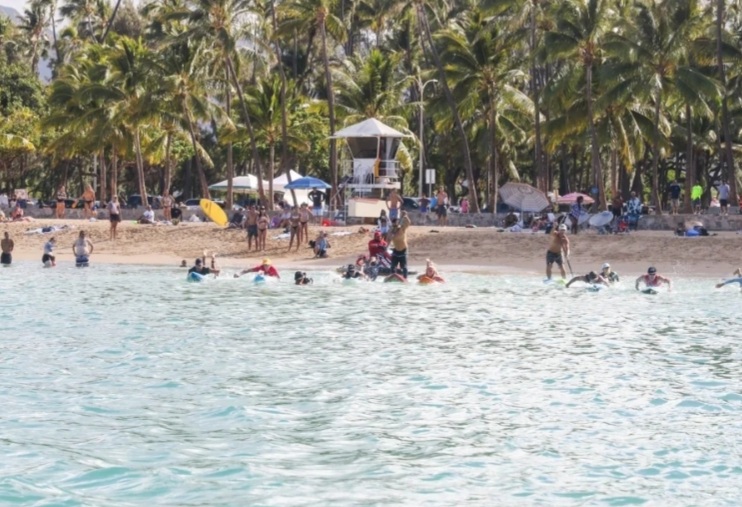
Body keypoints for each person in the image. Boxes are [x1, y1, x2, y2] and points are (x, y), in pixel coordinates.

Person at [389, 210, 411, 279]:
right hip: (396, 251)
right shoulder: (391, 230)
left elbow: (408, 223)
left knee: (404, 267)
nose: (394, 224)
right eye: (393, 222)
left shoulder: (402, 228)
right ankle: (392, 278)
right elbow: (388, 239)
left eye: (395, 222)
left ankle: (405, 279)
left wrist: (405, 216)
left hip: (403, 250)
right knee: (392, 266)